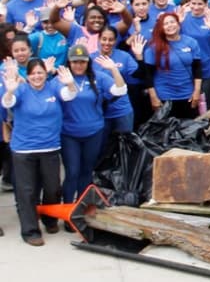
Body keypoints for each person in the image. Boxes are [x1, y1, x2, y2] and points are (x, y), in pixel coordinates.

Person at [3, 57, 78, 246]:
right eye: (33, 73)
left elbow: (69, 95)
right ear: (27, 76)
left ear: (46, 73)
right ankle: (30, 231)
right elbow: (7, 103)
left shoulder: (53, 87)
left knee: (53, 188)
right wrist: (10, 90)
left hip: (50, 148)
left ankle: (49, 219)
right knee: (26, 191)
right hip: (24, 150)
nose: (37, 76)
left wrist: (70, 84)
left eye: (40, 72)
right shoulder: (20, 89)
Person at [59, 44, 126, 204]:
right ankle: (68, 206)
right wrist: (69, 83)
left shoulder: (99, 77)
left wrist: (113, 70)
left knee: (87, 171)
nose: (79, 65)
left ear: (88, 62)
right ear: (69, 62)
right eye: (75, 62)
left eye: (82, 62)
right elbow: (66, 96)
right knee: (73, 172)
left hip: (94, 132)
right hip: (69, 134)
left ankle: (82, 206)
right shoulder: (61, 78)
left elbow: (120, 90)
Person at [142, 11, 202, 118]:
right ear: (161, 28)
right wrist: (153, 97)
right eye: (166, 24)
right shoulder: (153, 47)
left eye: (172, 22)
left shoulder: (191, 42)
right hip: (164, 97)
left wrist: (197, 91)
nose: (170, 25)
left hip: (188, 94)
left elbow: (197, 68)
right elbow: (148, 75)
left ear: (178, 24)